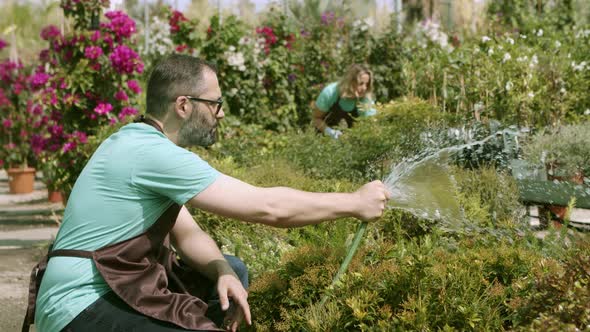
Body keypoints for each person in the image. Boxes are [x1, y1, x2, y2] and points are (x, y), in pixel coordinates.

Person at [24, 54, 390, 332]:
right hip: (81, 306)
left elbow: (187, 233)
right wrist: (354, 203)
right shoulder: (153, 153)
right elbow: (268, 207)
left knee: (233, 268)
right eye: (214, 104)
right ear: (183, 106)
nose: (220, 114)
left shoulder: (135, 142)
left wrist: (221, 271)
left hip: (86, 297)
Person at [311, 63, 378, 139]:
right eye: (361, 83)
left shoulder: (366, 98)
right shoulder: (330, 93)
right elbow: (316, 119)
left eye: (367, 84)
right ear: (350, 81)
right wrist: (329, 132)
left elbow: (371, 126)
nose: (364, 88)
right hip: (324, 141)